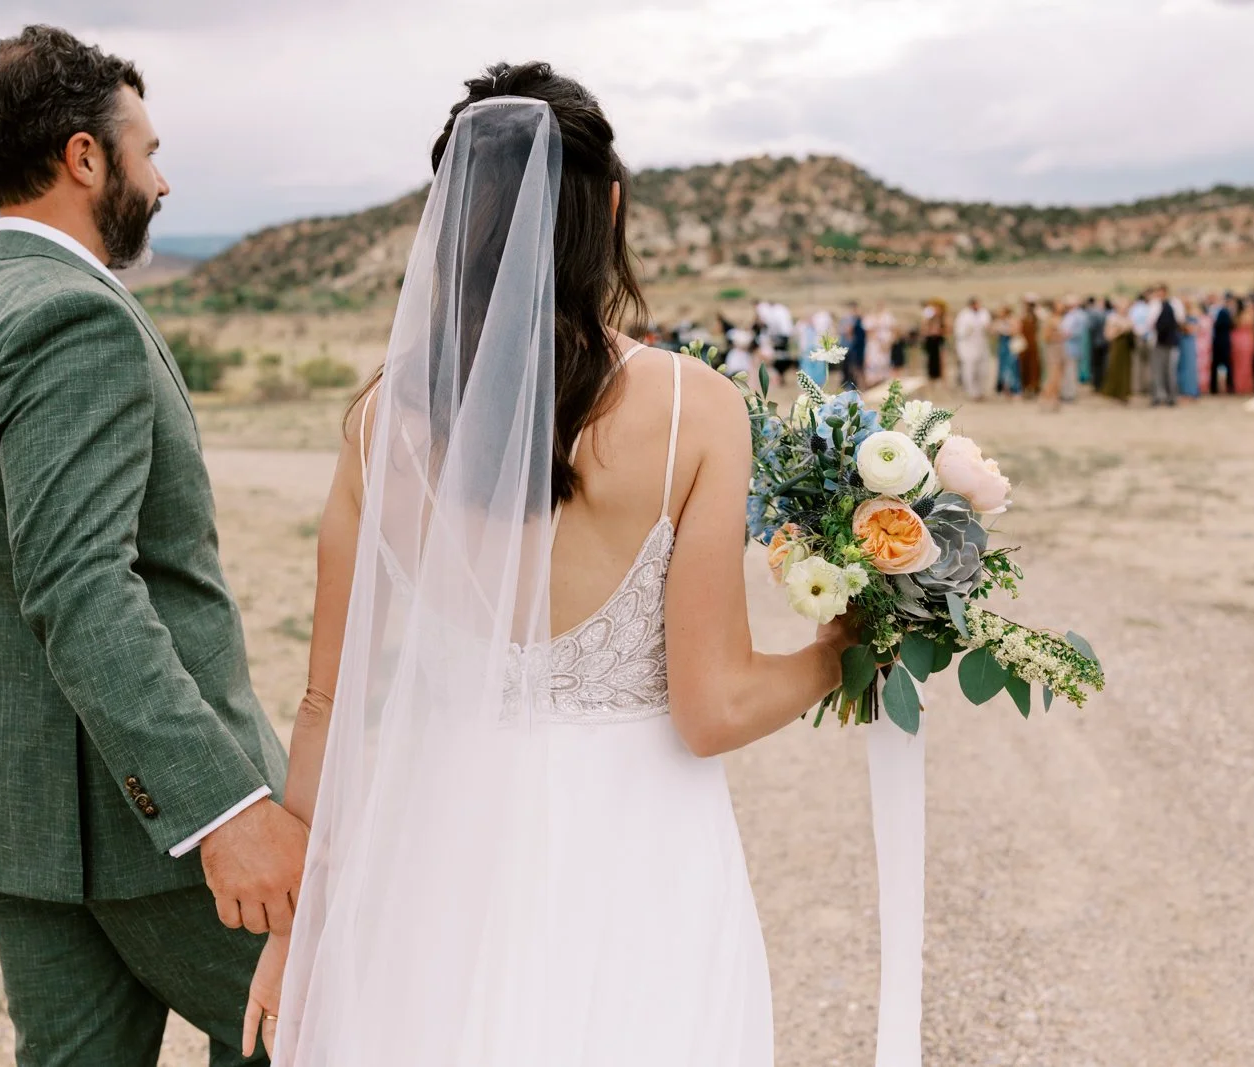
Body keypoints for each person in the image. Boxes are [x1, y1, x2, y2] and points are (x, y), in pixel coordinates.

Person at [251, 63, 921, 1067]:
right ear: (609, 208)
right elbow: (714, 707)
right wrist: (845, 647)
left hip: (437, 857)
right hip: (639, 862)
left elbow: (321, 705)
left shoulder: (380, 422)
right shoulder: (696, 407)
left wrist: (291, 933)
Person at [0, 27, 300, 1066]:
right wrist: (223, 806)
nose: (161, 180)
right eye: (148, 150)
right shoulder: (71, 315)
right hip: (152, 837)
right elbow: (80, 589)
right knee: (324, 1024)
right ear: (85, 157)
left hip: (20, 819)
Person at [953, 296, 992, 400]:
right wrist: (967, 331)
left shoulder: (984, 312)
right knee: (969, 370)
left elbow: (987, 326)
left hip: (981, 345)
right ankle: (972, 392)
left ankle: (981, 391)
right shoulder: (963, 315)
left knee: (983, 370)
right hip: (968, 347)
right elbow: (959, 332)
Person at [1100, 301, 1134, 402]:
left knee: (1125, 370)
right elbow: (1108, 335)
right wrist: (1120, 330)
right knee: (1115, 368)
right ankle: (1114, 391)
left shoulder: (1128, 318)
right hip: (1117, 346)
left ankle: (1124, 392)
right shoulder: (1113, 318)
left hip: (1126, 348)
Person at [1059, 296, 1088, 402]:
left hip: (1073, 347)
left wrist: (1067, 335)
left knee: (1071, 372)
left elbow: (1079, 332)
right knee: (1066, 372)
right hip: (1065, 347)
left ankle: (1070, 394)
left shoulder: (1080, 316)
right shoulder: (1068, 315)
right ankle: (1065, 392)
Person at [1232, 296, 1254, 395]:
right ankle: (1245, 386)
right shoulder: (1250, 314)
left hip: (1237, 339)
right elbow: (1253, 328)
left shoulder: (1237, 315)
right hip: (1246, 340)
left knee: (1241, 365)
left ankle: (1240, 386)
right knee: (1246, 364)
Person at [1209, 292, 1234, 394]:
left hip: (1222, 342)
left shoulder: (1224, 312)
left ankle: (1229, 386)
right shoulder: (1210, 310)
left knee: (1226, 364)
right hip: (1214, 342)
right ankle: (1213, 388)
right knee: (1214, 365)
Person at [866, 302, 897, 385]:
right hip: (874, 345)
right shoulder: (870, 317)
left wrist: (889, 343)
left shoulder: (888, 317)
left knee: (885, 364)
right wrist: (879, 343)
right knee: (874, 363)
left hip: (886, 344)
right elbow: (869, 332)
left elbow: (894, 330)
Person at [993, 305, 1019, 396]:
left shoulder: (1012, 320)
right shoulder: (999, 322)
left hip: (1010, 346)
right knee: (1002, 368)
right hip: (1002, 346)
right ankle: (1004, 389)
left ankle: (1014, 389)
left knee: (1011, 367)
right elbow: (993, 331)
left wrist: (1005, 330)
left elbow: (1015, 331)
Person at [1017, 295, 1041, 395]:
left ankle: (1034, 386)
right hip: (1024, 345)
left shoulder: (1037, 315)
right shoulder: (1022, 316)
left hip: (1033, 345)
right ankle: (1025, 387)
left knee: (1034, 367)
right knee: (1024, 366)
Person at [1178, 298, 1202, 399]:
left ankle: (1190, 391)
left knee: (1190, 368)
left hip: (1189, 343)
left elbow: (1193, 329)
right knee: (1182, 368)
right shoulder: (1181, 317)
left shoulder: (1192, 317)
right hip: (1182, 343)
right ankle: (1183, 391)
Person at [1087, 297, 1110, 389]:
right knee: (1102, 364)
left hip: (1097, 342)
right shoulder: (1107, 314)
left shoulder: (1095, 314)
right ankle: (1100, 382)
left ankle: (1097, 383)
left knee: (1097, 364)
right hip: (1104, 342)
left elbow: (1091, 328)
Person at [921, 299, 945, 381]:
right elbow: (925, 329)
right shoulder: (930, 318)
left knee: (940, 360)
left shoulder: (941, 319)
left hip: (938, 340)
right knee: (930, 361)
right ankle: (931, 378)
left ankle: (940, 377)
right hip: (931, 341)